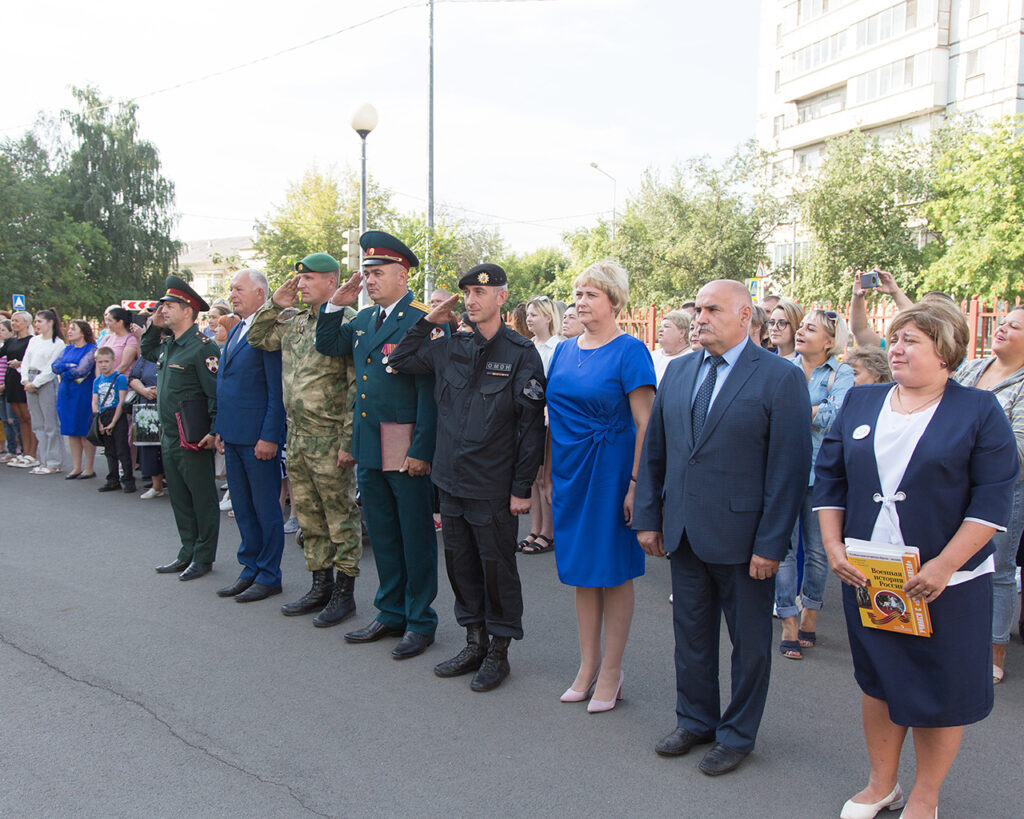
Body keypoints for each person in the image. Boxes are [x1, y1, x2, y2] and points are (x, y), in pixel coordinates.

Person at [813, 301, 1017, 819]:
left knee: (939, 689)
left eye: (911, 341)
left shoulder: (978, 410)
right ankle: (882, 784)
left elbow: (992, 502)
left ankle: (925, 795)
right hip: (870, 573)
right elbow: (830, 479)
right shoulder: (862, 402)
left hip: (949, 582)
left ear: (946, 353)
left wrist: (945, 564)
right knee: (879, 678)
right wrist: (834, 547)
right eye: (896, 338)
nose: (896, 348)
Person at [633, 279, 810, 776]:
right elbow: (657, 452)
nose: (700, 318)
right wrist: (649, 517)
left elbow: (789, 470)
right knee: (690, 635)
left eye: (712, 310)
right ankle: (695, 720)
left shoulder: (779, 377)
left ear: (745, 315)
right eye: (698, 310)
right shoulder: (680, 371)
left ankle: (736, 735)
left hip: (745, 541)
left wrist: (771, 543)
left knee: (749, 645)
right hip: (686, 532)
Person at [390, 263, 546, 691]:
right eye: (467, 295)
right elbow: (401, 360)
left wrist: (520, 488)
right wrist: (428, 321)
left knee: (497, 568)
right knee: (460, 565)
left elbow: (529, 428)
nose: (472, 301)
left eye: (481, 293)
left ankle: (498, 651)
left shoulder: (520, 353)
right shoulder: (447, 346)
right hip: (450, 479)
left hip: (493, 484)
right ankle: (473, 641)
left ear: (501, 297)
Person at [316, 231, 441, 660]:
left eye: (378, 272)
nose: (369, 280)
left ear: (403, 274)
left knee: (414, 535)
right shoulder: (364, 320)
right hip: (371, 441)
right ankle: (390, 611)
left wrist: (422, 448)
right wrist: (336, 303)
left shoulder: (421, 319)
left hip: (404, 440)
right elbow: (327, 344)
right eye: (366, 273)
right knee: (384, 534)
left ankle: (420, 619)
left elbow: (429, 391)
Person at [545, 260, 656, 713]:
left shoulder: (631, 351)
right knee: (582, 573)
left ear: (614, 300)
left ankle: (612, 669)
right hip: (571, 470)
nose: (580, 301)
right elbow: (552, 415)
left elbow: (646, 424)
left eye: (591, 294)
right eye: (577, 293)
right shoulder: (564, 350)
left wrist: (635, 484)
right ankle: (587, 666)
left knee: (612, 571)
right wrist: (547, 471)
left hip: (612, 473)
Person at [250, 253, 363, 625]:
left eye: (310, 279)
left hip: (329, 438)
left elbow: (353, 385)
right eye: (300, 280)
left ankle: (345, 594)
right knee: (310, 519)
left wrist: (349, 441)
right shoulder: (293, 322)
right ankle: (320, 586)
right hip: (297, 438)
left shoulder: (346, 322)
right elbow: (257, 337)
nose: (301, 285)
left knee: (340, 517)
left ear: (332, 283)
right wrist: (274, 304)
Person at [776, 309, 854, 660]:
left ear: (829, 341)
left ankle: (810, 613)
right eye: (802, 326)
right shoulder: (783, 367)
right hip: (781, 469)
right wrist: (813, 410)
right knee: (782, 548)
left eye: (812, 328)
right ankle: (788, 620)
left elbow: (836, 415)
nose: (802, 331)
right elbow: (771, 411)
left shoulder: (842, 372)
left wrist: (798, 412)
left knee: (818, 551)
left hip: (822, 474)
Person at [954, 305, 1024, 685]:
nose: (1002, 328)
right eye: (1003, 321)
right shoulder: (970, 368)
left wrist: (962, 443)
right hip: (954, 487)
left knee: (998, 570)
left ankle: (994, 653)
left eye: (1014, 326)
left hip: (1003, 493)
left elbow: (1018, 453)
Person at [212, 269, 287, 604]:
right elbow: (227, 384)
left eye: (239, 289)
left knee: (265, 508)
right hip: (235, 434)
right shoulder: (237, 328)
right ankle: (250, 567)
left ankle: (269, 574)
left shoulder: (267, 332)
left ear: (261, 293)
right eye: (231, 289)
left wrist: (270, 436)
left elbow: (276, 390)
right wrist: (221, 430)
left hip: (259, 438)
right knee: (242, 507)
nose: (233, 294)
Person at [140, 276, 221, 581]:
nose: (164, 310)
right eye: (163, 306)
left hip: (193, 434)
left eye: (170, 306)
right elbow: (147, 351)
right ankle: (187, 550)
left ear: (188, 310)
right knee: (180, 498)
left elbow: (214, 393)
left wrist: (213, 431)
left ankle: (203, 556)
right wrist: (155, 325)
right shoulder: (170, 344)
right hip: (169, 434)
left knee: (201, 497)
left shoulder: (202, 347)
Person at [520, 295, 563, 555]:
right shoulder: (528, 346)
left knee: (546, 477)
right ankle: (535, 528)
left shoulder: (559, 347)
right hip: (530, 419)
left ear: (548, 317)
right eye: (528, 314)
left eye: (534, 314)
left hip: (549, 418)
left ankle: (549, 532)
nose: (529, 318)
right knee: (533, 476)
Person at [22, 309, 66, 475]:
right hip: (30, 379)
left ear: (50, 322)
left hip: (45, 381)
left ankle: (54, 461)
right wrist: (26, 380)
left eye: (40, 321)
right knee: (37, 422)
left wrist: (36, 382)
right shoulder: (34, 340)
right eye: (36, 321)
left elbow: (52, 368)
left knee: (50, 423)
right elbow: (26, 361)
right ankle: (43, 460)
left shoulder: (58, 343)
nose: (37, 324)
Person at [52, 320, 97, 479]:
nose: (69, 331)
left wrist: (67, 367)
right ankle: (76, 467)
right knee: (71, 431)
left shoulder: (91, 349)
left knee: (84, 430)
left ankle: (89, 467)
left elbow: (81, 370)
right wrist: (69, 365)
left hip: (83, 393)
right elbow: (54, 367)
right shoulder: (67, 348)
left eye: (73, 329)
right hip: (67, 393)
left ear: (83, 331)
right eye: (69, 329)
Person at [93, 347, 134, 493]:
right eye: (100, 362)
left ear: (113, 361)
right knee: (109, 451)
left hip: (117, 415)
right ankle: (112, 479)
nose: (103, 365)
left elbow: (121, 402)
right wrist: (99, 421)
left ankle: (128, 479)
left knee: (122, 449)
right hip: (103, 416)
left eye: (106, 361)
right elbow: (95, 401)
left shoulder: (120, 378)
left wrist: (113, 422)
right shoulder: (97, 381)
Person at [128, 350, 165, 498]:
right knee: (150, 447)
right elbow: (133, 377)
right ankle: (156, 486)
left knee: (170, 448)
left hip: (169, 406)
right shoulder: (146, 356)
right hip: (147, 407)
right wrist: (143, 390)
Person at [0, 312, 34, 467]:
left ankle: (32, 453)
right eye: (12, 321)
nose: (13, 323)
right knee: (20, 419)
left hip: (25, 381)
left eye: (17, 320)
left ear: (27, 322)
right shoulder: (10, 341)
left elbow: (35, 361)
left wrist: (20, 364)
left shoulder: (32, 341)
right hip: (11, 381)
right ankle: (24, 453)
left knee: (28, 418)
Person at [850, 269, 914, 348]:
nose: (896, 350)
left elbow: (917, 322)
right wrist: (857, 296)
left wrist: (896, 292)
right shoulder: (890, 348)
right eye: (894, 340)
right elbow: (860, 330)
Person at [0, 318, 23, 461]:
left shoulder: (13, 345)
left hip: (9, 386)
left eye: (2, 330)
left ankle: (22, 448)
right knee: (4, 419)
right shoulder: (5, 345)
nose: (0, 333)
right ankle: (11, 450)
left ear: (10, 331)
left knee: (13, 419)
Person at [651, 310, 692, 386]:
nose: (660, 330)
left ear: (682, 333)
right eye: (660, 326)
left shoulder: (692, 357)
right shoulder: (652, 356)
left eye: (666, 326)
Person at [100, 307, 139, 375]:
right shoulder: (107, 338)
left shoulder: (130, 339)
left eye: (110, 320)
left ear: (120, 322)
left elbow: (124, 365)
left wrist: (109, 377)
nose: (107, 323)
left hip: (120, 381)